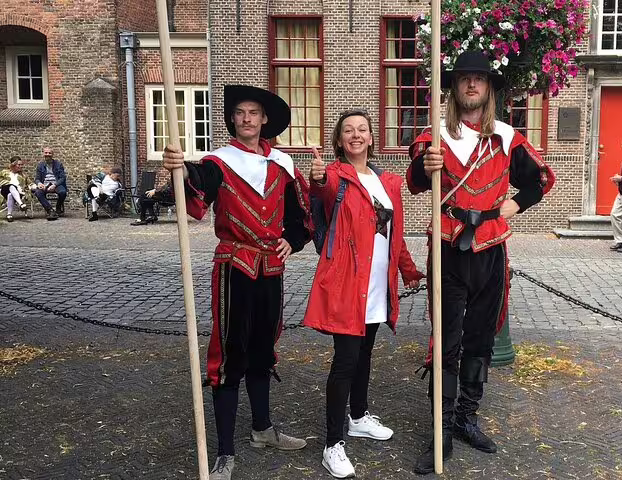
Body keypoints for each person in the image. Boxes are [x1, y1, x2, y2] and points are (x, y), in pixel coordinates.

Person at [405, 51, 555, 475]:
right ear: (454, 88)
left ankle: (467, 417)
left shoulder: (507, 137)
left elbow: (539, 181)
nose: (471, 85)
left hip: (491, 248)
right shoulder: (434, 137)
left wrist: (514, 205)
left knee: (480, 340)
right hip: (450, 248)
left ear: (488, 89)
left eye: (479, 79)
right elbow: (416, 183)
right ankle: (442, 430)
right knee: (446, 341)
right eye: (464, 79)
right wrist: (425, 165)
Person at [162, 84, 312, 480]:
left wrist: (291, 242)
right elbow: (196, 187)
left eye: (254, 113)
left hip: (271, 271)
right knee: (230, 355)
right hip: (234, 267)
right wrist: (180, 168)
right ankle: (225, 452)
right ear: (232, 119)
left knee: (264, 349)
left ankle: (262, 430)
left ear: (264, 120)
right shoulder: (218, 162)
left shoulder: (282, 164)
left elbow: (301, 217)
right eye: (240, 113)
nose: (247, 119)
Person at [304, 109, 425, 479]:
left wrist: (407, 269)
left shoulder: (387, 182)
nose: (355, 135)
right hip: (346, 284)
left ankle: (358, 416)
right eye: (348, 131)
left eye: (362, 130)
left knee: (365, 354)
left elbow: (395, 234)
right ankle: (332, 444)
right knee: (345, 360)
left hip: (377, 286)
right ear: (339, 141)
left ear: (371, 138)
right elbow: (321, 194)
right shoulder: (336, 176)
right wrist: (316, 178)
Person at [33, 147, 68, 220]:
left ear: (52, 154)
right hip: (45, 184)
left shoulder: (58, 164)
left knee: (63, 192)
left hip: (56, 184)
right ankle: (50, 210)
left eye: (49, 153)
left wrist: (55, 185)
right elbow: (37, 178)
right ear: (43, 154)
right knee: (38, 192)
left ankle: (58, 207)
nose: (47, 154)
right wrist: (39, 183)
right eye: (46, 153)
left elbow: (62, 177)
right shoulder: (40, 165)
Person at [0, 156, 32, 222]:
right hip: (4, 190)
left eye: (21, 165)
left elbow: (30, 184)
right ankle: (21, 204)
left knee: (10, 195)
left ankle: (9, 215)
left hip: (18, 193)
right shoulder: (4, 172)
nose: (21, 166)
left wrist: (36, 186)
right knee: (11, 186)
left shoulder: (23, 175)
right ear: (13, 165)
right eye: (19, 165)